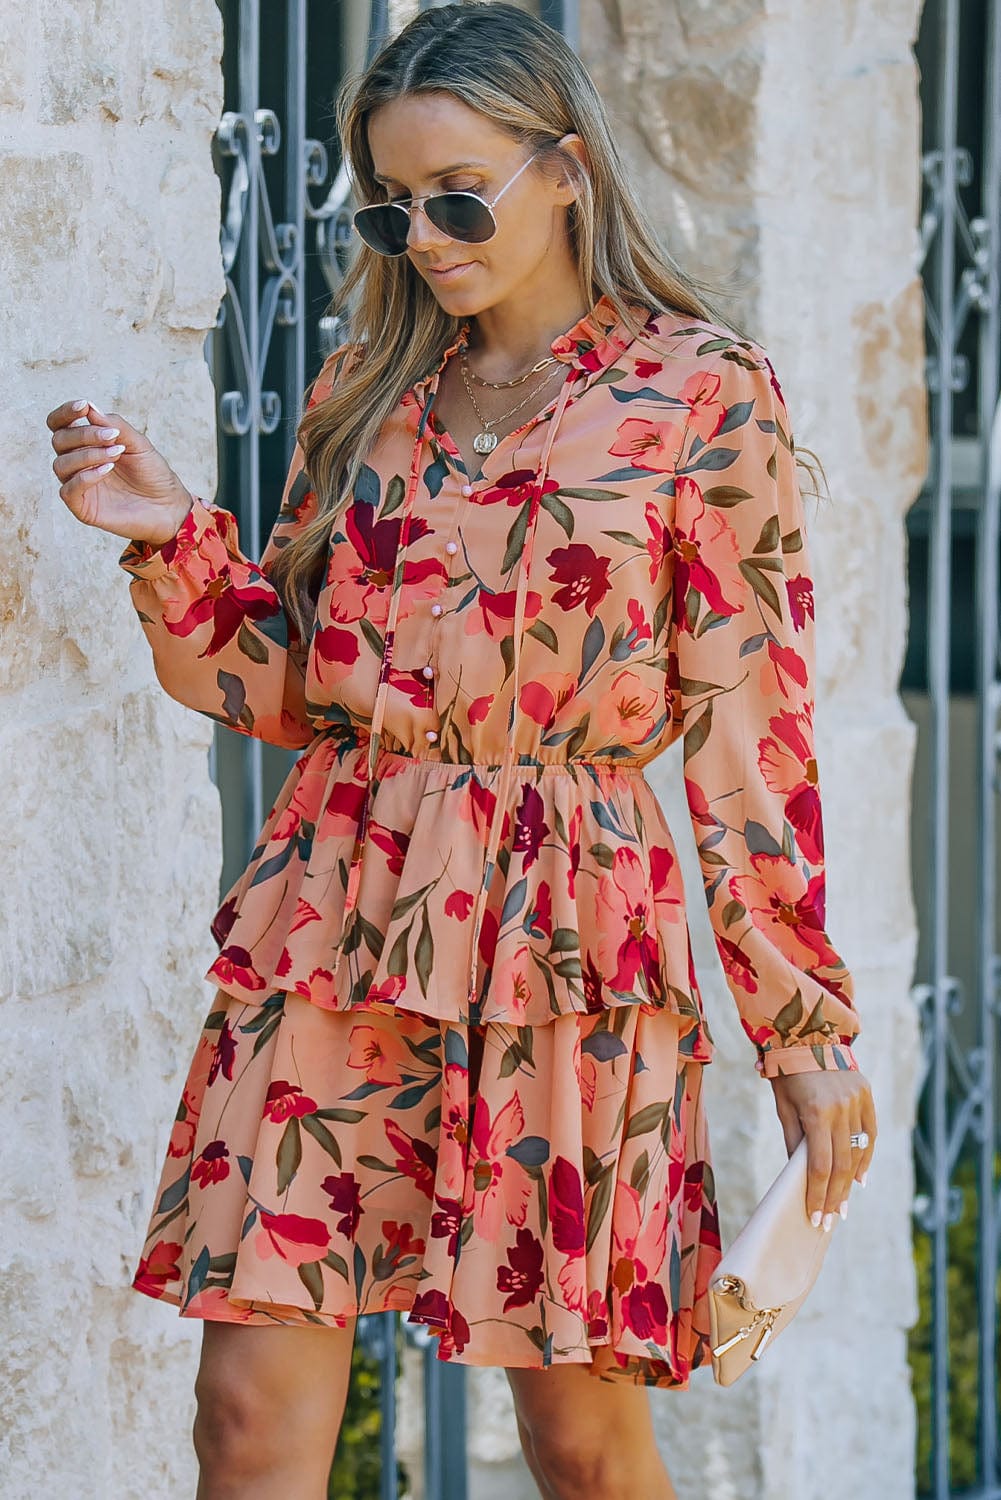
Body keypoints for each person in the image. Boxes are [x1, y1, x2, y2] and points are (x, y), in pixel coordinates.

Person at [46, 4, 877, 1497]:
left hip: (569, 935)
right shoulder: (366, 394)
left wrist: (800, 1029)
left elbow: (750, 732)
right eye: (390, 207)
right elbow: (292, 690)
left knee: (579, 1441)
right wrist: (172, 540)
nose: (423, 238)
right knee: (243, 1417)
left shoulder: (701, 393)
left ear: (566, 171)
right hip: (336, 915)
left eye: (457, 197)